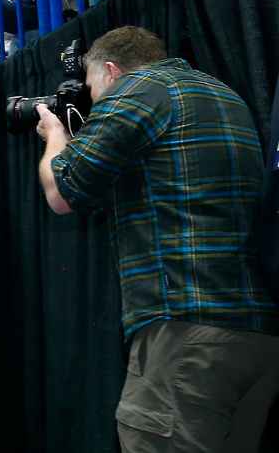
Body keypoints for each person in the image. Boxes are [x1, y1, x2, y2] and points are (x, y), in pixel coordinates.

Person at [34, 26, 279, 451]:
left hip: (185, 329)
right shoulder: (222, 93)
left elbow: (62, 192)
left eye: (93, 90)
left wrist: (56, 136)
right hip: (256, 332)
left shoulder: (136, 90)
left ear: (111, 72)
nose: (94, 102)